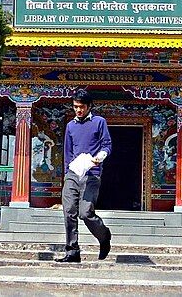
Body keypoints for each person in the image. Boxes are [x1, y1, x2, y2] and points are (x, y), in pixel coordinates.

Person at [56, 89, 112, 262]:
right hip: (73, 173)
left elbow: (107, 145)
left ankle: (104, 237)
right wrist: (67, 173)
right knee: (68, 212)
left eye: (81, 107)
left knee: (86, 213)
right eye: (75, 107)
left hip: (92, 173)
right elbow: (67, 151)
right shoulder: (70, 126)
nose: (78, 110)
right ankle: (72, 252)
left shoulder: (99, 122)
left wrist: (100, 157)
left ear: (89, 106)